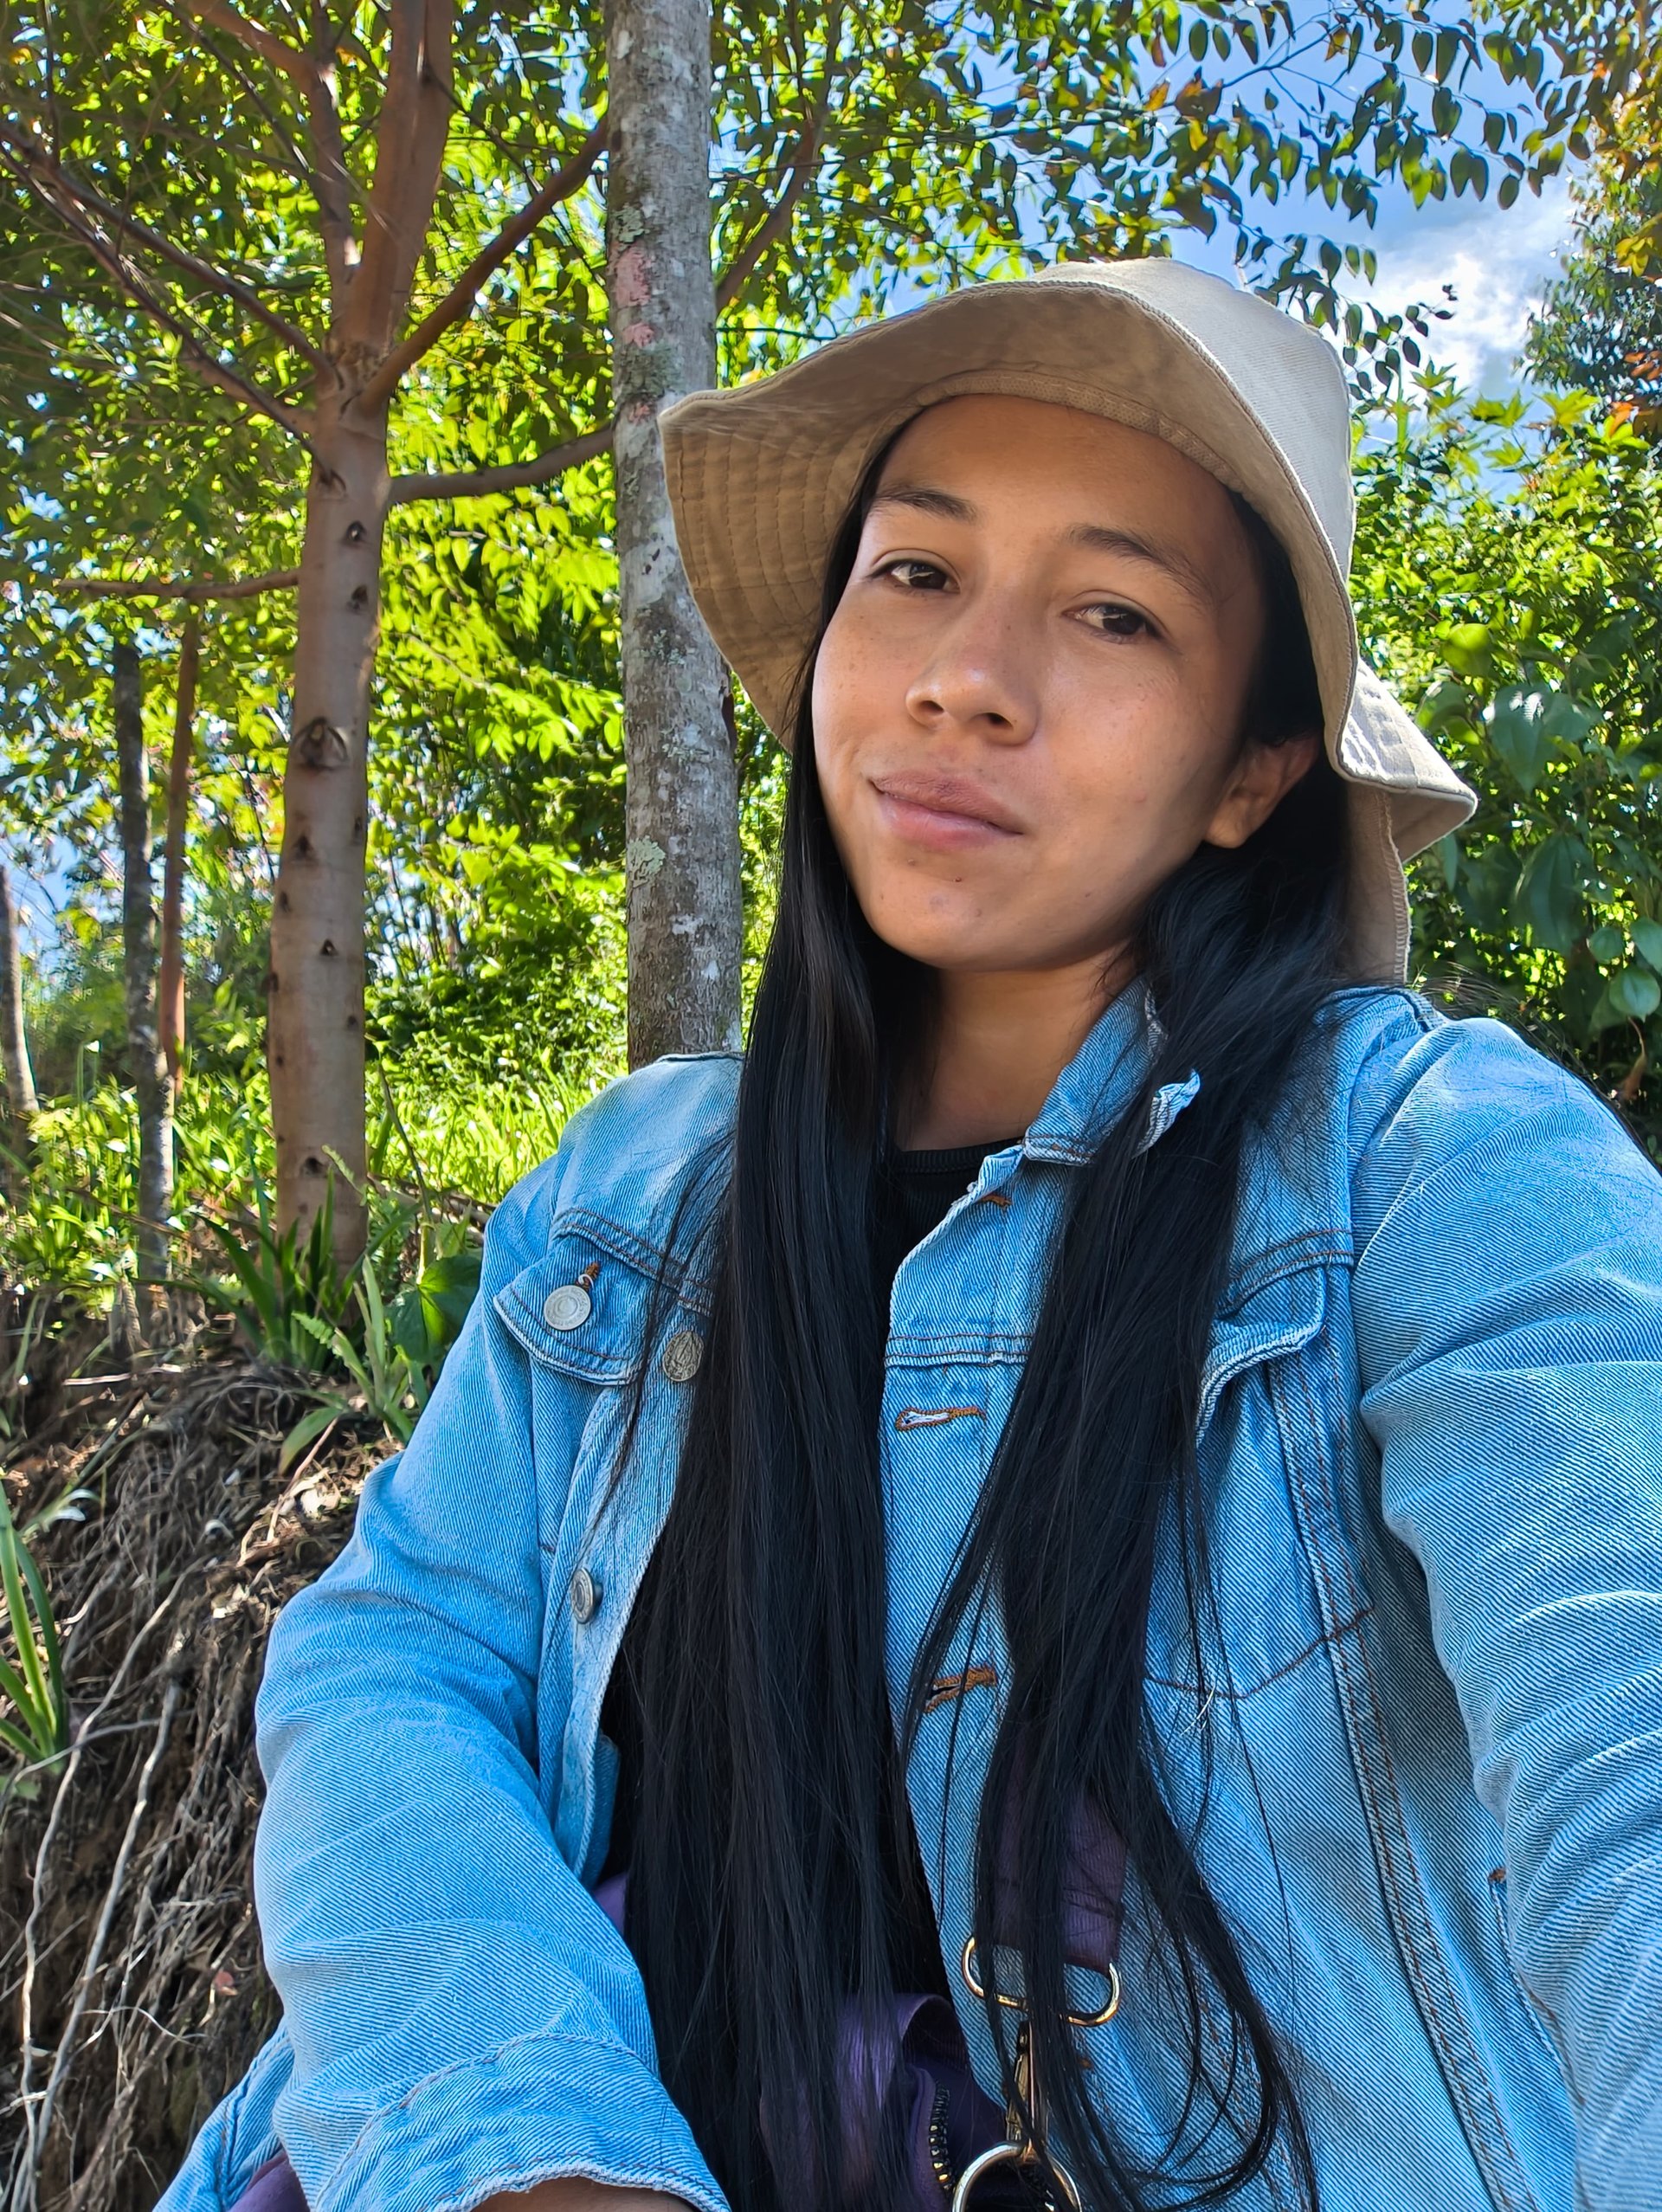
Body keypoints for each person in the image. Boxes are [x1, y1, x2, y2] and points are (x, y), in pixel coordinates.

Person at [162, 261, 1662, 2212]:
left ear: (1254, 772)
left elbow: (1621, 1739)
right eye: (918, 574)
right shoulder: (637, 1195)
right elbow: (393, 1658)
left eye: (1114, 611)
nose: (969, 672)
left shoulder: (1435, 1170)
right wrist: (531, 2149)